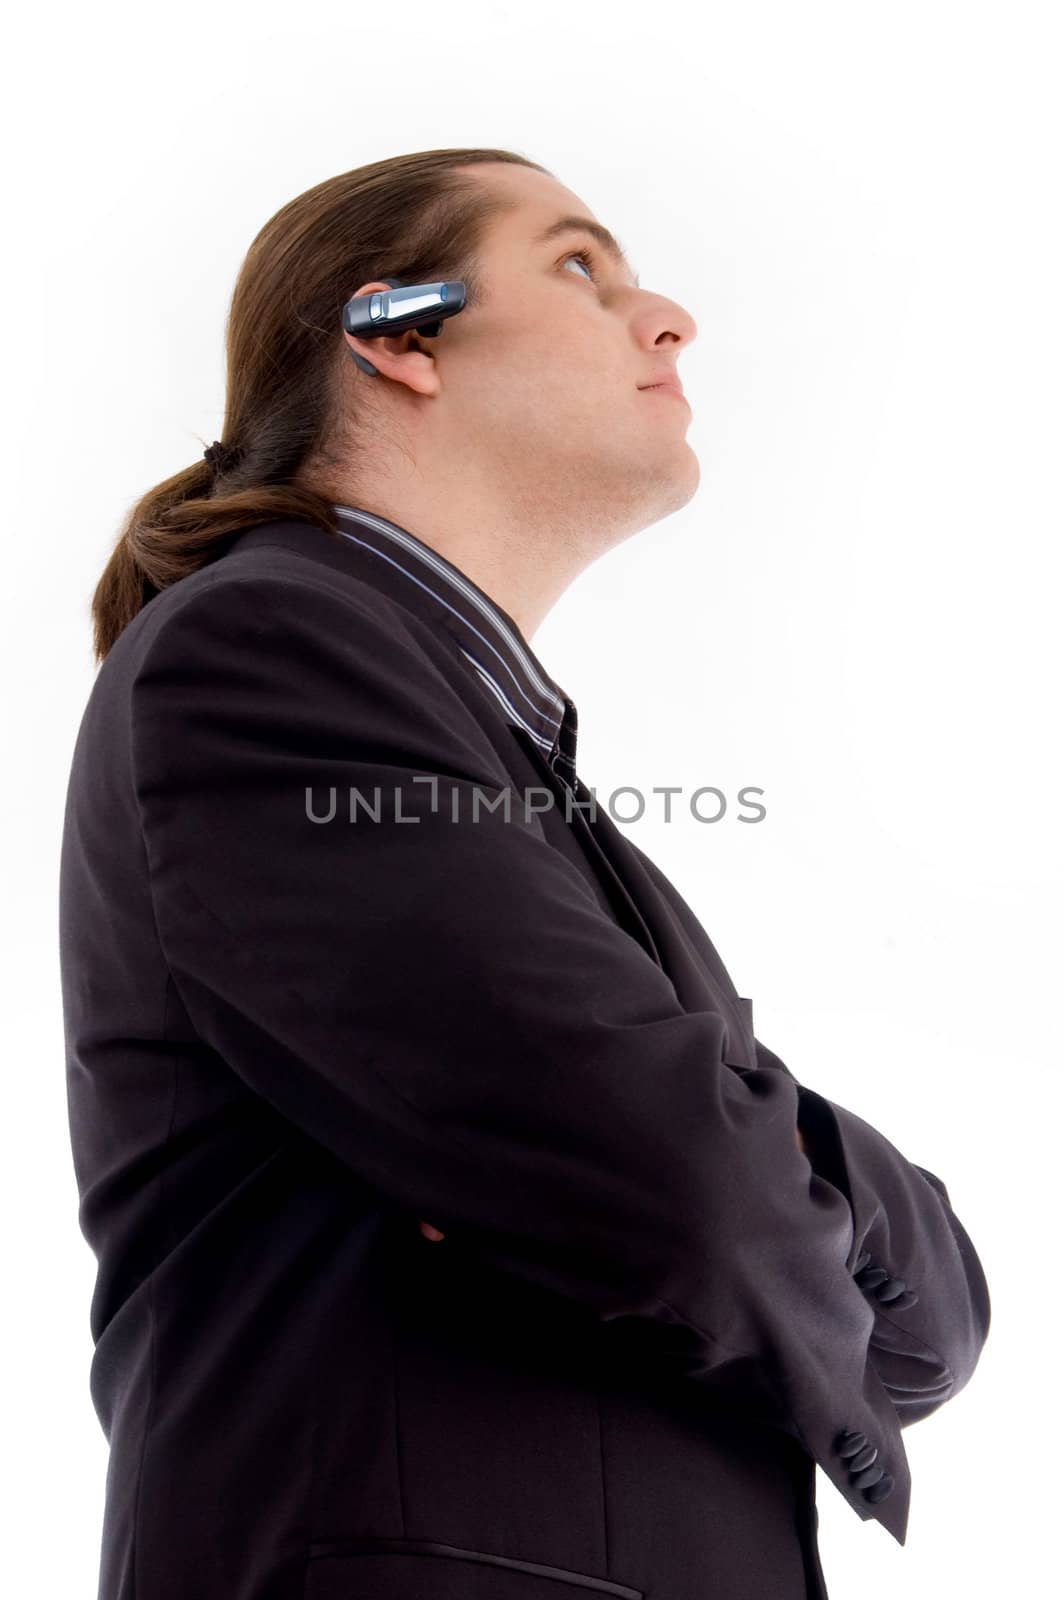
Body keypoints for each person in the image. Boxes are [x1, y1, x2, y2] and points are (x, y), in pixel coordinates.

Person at [60, 147, 991, 1600]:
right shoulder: (268, 649)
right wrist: (721, 1141)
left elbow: (930, 1320)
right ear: (400, 336)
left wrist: (736, 1149)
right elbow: (685, 1181)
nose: (668, 315)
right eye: (579, 266)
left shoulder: (486, 750)